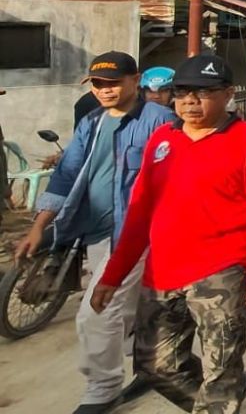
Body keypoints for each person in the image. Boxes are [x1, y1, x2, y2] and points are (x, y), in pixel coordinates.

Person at [91, 54, 246, 414]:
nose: (190, 101)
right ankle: (220, 398)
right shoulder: (162, 139)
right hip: (162, 272)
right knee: (154, 364)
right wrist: (111, 276)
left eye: (202, 93)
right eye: (182, 93)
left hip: (222, 272)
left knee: (220, 367)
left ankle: (221, 398)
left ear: (228, 94)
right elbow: (139, 213)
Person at [14, 51, 174, 414]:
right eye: (98, 84)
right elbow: (66, 175)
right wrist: (40, 226)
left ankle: (102, 388)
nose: (105, 90)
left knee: (95, 312)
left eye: (113, 82)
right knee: (127, 307)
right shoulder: (91, 123)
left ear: (136, 81)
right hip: (97, 232)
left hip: (137, 236)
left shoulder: (160, 122)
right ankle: (151, 367)